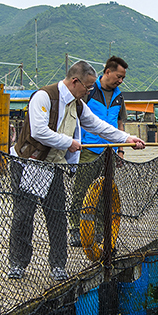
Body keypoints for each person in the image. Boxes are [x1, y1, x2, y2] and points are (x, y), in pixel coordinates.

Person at [9, 60, 146, 281]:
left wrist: (126, 138)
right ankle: (18, 263)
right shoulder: (44, 96)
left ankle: (58, 265)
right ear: (75, 81)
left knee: (57, 216)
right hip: (29, 164)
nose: (90, 90)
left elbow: (98, 125)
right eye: (88, 86)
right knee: (23, 215)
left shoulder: (77, 104)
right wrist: (69, 142)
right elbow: (39, 131)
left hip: (53, 166)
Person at [67, 56, 127, 248]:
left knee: (105, 193)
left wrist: (121, 150)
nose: (120, 80)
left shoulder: (119, 96)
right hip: (89, 148)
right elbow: (76, 115)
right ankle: (76, 229)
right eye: (118, 76)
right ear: (107, 72)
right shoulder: (89, 90)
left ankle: (100, 230)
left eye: (123, 77)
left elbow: (120, 123)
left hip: (109, 151)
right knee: (82, 189)